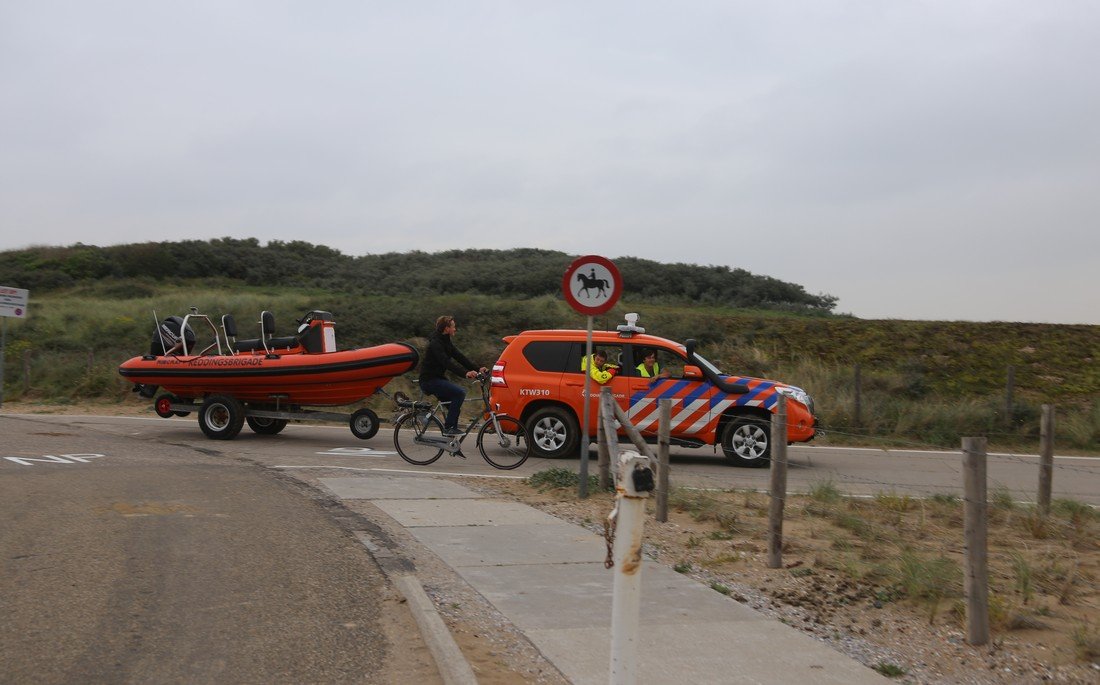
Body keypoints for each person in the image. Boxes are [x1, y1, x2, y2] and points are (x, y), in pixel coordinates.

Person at [418, 315, 486, 436]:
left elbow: (459, 357)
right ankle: (449, 428)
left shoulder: (446, 340)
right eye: (453, 327)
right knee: (459, 393)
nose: (455, 329)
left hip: (437, 379)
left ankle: (450, 440)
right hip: (429, 380)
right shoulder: (436, 343)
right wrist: (465, 373)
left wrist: (477, 369)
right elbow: (446, 362)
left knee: (455, 407)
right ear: (446, 328)